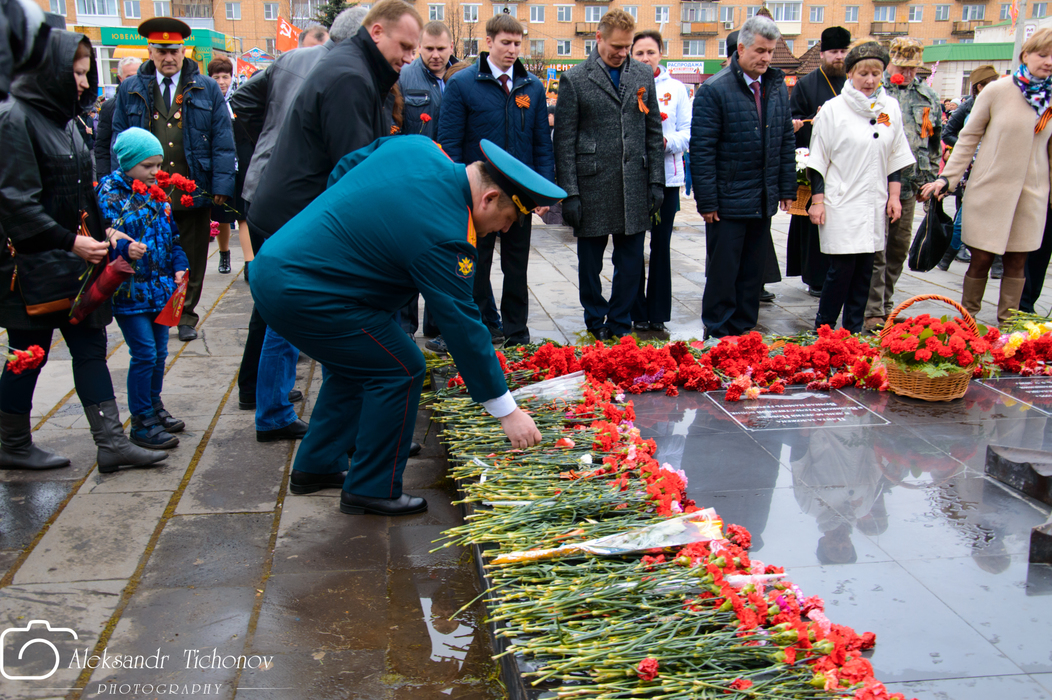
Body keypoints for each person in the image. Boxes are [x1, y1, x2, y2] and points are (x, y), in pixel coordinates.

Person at [250, 136, 558, 515]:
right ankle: (372, 488)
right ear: (489, 198)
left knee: (360, 363)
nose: (504, 230)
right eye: (507, 220)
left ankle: (318, 464)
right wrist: (508, 412)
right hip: (304, 292)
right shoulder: (446, 232)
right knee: (402, 367)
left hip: (280, 265)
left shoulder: (420, 148)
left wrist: (342, 222)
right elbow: (463, 326)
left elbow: (346, 166)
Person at [245, 0, 422, 444]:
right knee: (304, 316)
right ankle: (322, 424)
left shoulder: (356, 67)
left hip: (294, 208)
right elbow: (356, 171)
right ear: (376, 32)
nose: (410, 57)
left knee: (286, 318)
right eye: (404, 46)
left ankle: (282, 415)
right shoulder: (350, 77)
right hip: (296, 213)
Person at [0, 30, 166, 472]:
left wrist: (106, 232)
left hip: (77, 263)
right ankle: (11, 443)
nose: (82, 81)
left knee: (91, 347)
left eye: (84, 72)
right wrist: (71, 241)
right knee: (28, 356)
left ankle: (111, 443)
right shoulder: (15, 120)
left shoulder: (70, 122)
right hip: (31, 268)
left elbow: (83, 193)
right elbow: (15, 202)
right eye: (73, 72)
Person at [230, 6, 367, 415]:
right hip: (295, 194)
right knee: (284, 296)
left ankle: (258, 388)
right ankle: (266, 395)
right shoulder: (345, 72)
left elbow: (243, 101)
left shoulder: (292, 58)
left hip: (266, 184)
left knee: (272, 295)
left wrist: (267, 137)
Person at [110, 17, 235, 343]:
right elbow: (118, 139)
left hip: (192, 186)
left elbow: (223, 138)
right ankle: (156, 310)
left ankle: (185, 314)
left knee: (192, 255)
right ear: (150, 50)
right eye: (161, 51)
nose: (168, 58)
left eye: (174, 51)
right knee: (151, 253)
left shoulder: (205, 87)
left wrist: (221, 185)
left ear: (184, 50)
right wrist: (118, 186)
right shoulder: (131, 88)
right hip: (146, 191)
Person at [438, 12, 554, 348]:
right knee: (474, 264)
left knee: (516, 267)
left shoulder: (532, 86)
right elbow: (449, 143)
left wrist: (543, 191)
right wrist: (457, 191)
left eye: (517, 43)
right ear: (488, 42)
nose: (512, 50)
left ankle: (517, 332)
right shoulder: (463, 84)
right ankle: (476, 329)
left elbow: (541, 143)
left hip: (519, 196)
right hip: (479, 196)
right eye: (505, 42)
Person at [922, 28, 1052, 326]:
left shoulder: (1050, 98)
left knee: (1017, 261)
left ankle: (1009, 326)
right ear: (1025, 55)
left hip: (1032, 194)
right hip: (991, 190)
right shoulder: (998, 90)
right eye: (1043, 54)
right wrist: (947, 179)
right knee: (980, 259)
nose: (1048, 62)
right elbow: (968, 138)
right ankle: (967, 322)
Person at [554, 9, 664, 340]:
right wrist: (570, 193)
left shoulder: (642, 74)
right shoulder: (575, 78)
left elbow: (653, 132)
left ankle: (619, 321)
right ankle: (595, 319)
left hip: (634, 184)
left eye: (627, 46)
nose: (622, 52)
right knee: (591, 263)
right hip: (592, 186)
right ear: (599, 38)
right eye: (617, 46)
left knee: (630, 263)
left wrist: (656, 182)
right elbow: (564, 140)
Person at [690, 15, 796, 339]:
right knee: (724, 272)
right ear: (741, 49)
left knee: (753, 272)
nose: (765, 58)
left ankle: (745, 331)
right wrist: (707, 201)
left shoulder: (775, 87)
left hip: (762, 197)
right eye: (760, 51)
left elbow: (784, 140)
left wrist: (786, 187)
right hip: (727, 200)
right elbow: (702, 150)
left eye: (770, 51)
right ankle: (718, 332)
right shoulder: (714, 89)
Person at [806, 41, 915, 332]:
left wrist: (894, 196)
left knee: (867, 269)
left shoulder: (889, 107)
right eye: (863, 74)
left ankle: (852, 331)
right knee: (842, 270)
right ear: (851, 74)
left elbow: (895, 155)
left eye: (875, 74)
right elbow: (818, 159)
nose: (869, 80)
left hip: (874, 200)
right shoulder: (833, 109)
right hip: (841, 200)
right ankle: (824, 328)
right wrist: (818, 201)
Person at [97, 128, 190, 449]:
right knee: (144, 353)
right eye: (147, 166)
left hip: (161, 289)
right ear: (127, 163)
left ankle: (154, 404)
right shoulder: (110, 194)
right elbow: (105, 236)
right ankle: (141, 420)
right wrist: (125, 249)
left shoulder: (158, 193)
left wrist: (180, 265)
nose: (155, 172)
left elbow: (173, 237)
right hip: (130, 291)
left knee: (160, 353)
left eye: (158, 165)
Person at [863, 37, 941, 333]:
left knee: (897, 249)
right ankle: (872, 309)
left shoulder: (927, 96)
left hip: (909, 185)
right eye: (901, 67)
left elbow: (933, 140)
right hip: (878, 182)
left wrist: (930, 179)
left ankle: (885, 303)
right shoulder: (877, 92)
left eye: (913, 68)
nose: (907, 73)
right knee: (877, 250)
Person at [396, 19, 455, 339]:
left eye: (441, 48)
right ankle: (405, 326)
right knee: (409, 253)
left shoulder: (460, 76)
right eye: (429, 48)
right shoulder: (405, 78)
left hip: (448, 180)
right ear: (419, 47)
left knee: (441, 255)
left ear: (451, 47)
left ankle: (436, 326)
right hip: (414, 179)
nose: (435, 55)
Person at [629, 29, 689, 334]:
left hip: (667, 178)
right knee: (633, 246)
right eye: (639, 53)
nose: (645, 58)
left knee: (661, 246)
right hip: (634, 178)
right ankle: (636, 310)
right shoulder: (626, 85)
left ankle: (658, 312)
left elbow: (687, 132)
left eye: (650, 52)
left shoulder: (676, 89)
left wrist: (663, 142)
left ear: (661, 54)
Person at [786, 26, 850, 298]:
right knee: (814, 224)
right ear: (822, 54)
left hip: (847, 165)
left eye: (843, 51)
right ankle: (815, 277)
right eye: (834, 52)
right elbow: (795, 120)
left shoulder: (854, 82)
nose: (839, 57)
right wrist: (813, 119)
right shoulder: (806, 84)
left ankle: (844, 275)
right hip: (816, 163)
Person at [935, 64, 999, 271]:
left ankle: (997, 262)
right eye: (992, 83)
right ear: (980, 86)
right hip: (972, 168)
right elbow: (948, 134)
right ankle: (949, 254)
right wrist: (969, 150)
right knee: (965, 214)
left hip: (996, 168)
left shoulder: (1001, 104)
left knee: (997, 217)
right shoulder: (969, 107)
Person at [207, 56, 240, 275]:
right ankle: (224, 253)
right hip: (216, 165)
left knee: (238, 213)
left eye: (225, 77)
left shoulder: (238, 101)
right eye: (216, 77)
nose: (221, 82)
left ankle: (247, 257)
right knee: (220, 215)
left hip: (237, 164)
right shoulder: (206, 101)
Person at [95, 56, 141, 182]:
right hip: (120, 175)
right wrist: (104, 179)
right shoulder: (110, 107)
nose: (134, 81)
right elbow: (102, 146)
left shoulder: (152, 102)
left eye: (137, 76)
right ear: (120, 78)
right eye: (129, 77)